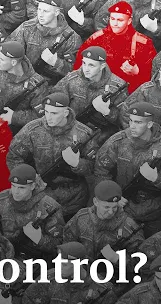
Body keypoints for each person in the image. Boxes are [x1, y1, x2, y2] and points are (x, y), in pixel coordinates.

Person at [6, 92, 100, 220]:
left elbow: (95, 166)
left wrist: (77, 163)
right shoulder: (32, 130)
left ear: (66, 113)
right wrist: (28, 178)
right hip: (43, 194)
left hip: (74, 196)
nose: (48, 117)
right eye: (46, 112)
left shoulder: (83, 133)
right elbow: (13, 156)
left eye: (54, 113)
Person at [95, 101, 161, 237]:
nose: (132, 126)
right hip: (122, 210)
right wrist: (112, 196)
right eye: (131, 121)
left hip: (155, 212)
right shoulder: (118, 141)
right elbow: (101, 170)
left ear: (149, 124)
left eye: (138, 122)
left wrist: (156, 178)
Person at [0, 164, 64, 261]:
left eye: (21, 188)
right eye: (13, 186)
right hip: (3, 255)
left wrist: (39, 239)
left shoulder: (49, 207)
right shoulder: (1, 201)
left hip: (36, 260)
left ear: (32, 186)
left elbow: (59, 245)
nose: (16, 192)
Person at [63, 180, 144, 281]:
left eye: (114, 207)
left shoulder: (129, 227)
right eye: (106, 207)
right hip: (81, 274)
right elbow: (67, 243)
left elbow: (140, 262)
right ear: (95, 202)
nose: (110, 212)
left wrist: (117, 259)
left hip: (112, 280)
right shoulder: (81, 218)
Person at [75, 1, 156, 94]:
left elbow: (152, 78)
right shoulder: (97, 38)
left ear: (129, 21)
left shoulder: (143, 44)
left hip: (126, 92)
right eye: (112, 19)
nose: (115, 23)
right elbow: (79, 64)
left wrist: (137, 72)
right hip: (96, 89)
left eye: (120, 20)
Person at [54, 46, 128, 146]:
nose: (86, 69)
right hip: (71, 129)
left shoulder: (117, 86)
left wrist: (107, 112)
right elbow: (55, 101)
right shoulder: (72, 79)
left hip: (100, 136)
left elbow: (125, 121)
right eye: (84, 63)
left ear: (102, 66)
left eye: (91, 65)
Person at [8, 0, 82, 85]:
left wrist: (56, 62)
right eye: (39, 9)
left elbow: (77, 72)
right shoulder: (27, 27)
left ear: (56, 12)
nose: (40, 14)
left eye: (46, 11)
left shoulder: (72, 38)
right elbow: (10, 51)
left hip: (52, 85)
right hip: (23, 78)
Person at [21, 241, 118, 304]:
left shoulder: (103, 291)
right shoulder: (51, 278)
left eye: (64, 264)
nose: (59, 268)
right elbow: (29, 301)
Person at [0, 40, 49, 133]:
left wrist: (14, 117)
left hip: (17, 132)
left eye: (1, 59)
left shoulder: (37, 85)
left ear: (13, 62)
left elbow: (41, 115)